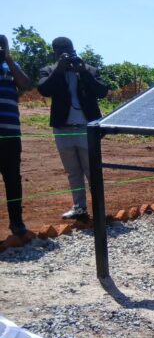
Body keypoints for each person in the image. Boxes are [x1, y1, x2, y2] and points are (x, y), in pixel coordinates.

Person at [38, 37, 108, 221]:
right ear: (55, 53)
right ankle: (79, 208)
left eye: (69, 51)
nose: (67, 55)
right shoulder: (49, 71)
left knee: (92, 170)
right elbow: (44, 90)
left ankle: (100, 209)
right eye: (61, 52)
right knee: (73, 171)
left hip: (87, 129)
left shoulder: (89, 69)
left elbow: (102, 91)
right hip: (63, 129)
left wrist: (83, 72)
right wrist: (60, 70)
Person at [0, 34, 31, 237]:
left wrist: (9, 60)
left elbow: (26, 85)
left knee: (12, 178)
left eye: (2, 45)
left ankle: (17, 222)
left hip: (10, 132)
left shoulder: (11, 66)